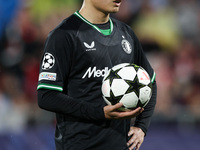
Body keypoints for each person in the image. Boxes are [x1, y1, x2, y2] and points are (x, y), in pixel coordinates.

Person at [37, 0, 157, 150]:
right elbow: (46, 96)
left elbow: (150, 81)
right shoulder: (64, 35)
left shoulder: (126, 33)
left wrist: (141, 127)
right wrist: (99, 113)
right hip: (79, 146)